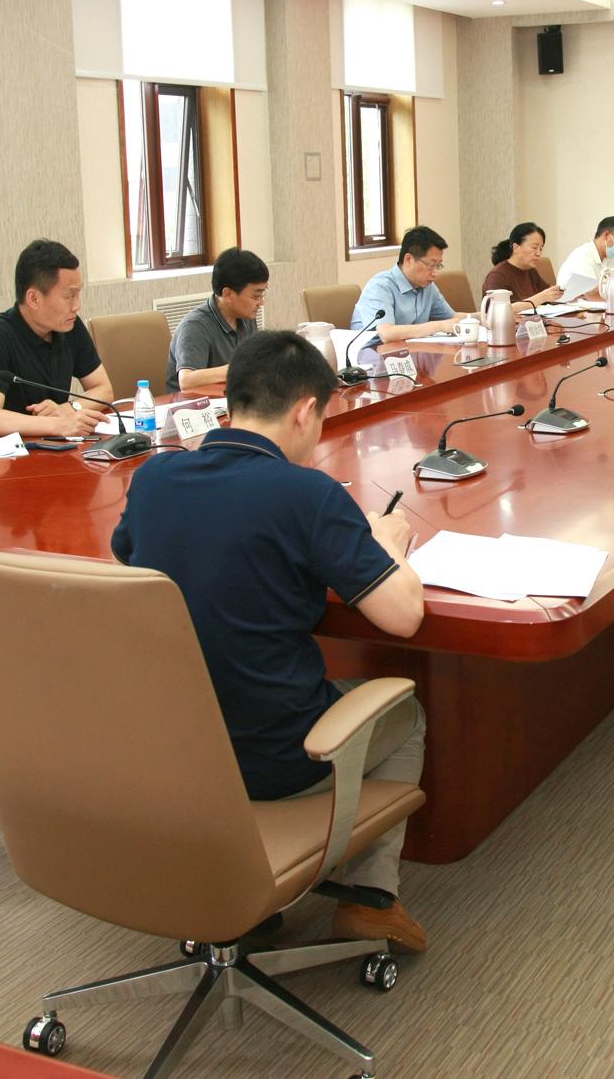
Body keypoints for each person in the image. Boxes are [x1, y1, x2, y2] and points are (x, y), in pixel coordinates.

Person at [110, 331, 430, 951]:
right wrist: (385, 544)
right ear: (306, 410)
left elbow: (127, 559)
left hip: (170, 750)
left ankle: (238, 876)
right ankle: (369, 899)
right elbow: (404, 617)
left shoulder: (155, 476)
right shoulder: (306, 494)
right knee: (407, 712)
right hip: (277, 754)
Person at [0, 239, 113, 438]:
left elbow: (104, 389)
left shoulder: (69, 326)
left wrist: (68, 409)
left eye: (78, 294)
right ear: (34, 298)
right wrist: (58, 424)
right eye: (69, 296)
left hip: (48, 446)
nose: (77, 306)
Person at [168, 247, 269, 392]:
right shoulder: (195, 326)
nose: (261, 302)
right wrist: (236, 368)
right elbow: (186, 381)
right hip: (192, 403)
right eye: (256, 296)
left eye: (262, 295)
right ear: (228, 294)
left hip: (232, 397)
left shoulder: (246, 317)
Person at [350, 225, 458, 349]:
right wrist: (439, 326)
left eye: (438, 266)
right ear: (408, 260)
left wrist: (476, 318)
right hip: (370, 355)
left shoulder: (427, 287)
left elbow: (453, 318)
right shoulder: (380, 287)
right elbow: (387, 334)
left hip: (406, 353)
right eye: (431, 265)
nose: (435, 273)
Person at [556, 216, 614, 297]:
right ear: (606, 235)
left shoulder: (609, 258)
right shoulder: (582, 256)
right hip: (572, 308)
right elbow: (590, 294)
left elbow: (612, 286)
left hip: (599, 306)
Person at [481, 222, 563, 307]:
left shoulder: (530, 270)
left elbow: (549, 295)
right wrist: (542, 297)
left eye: (541, 249)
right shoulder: (497, 275)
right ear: (516, 247)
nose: (539, 253)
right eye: (534, 247)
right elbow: (497, 310)